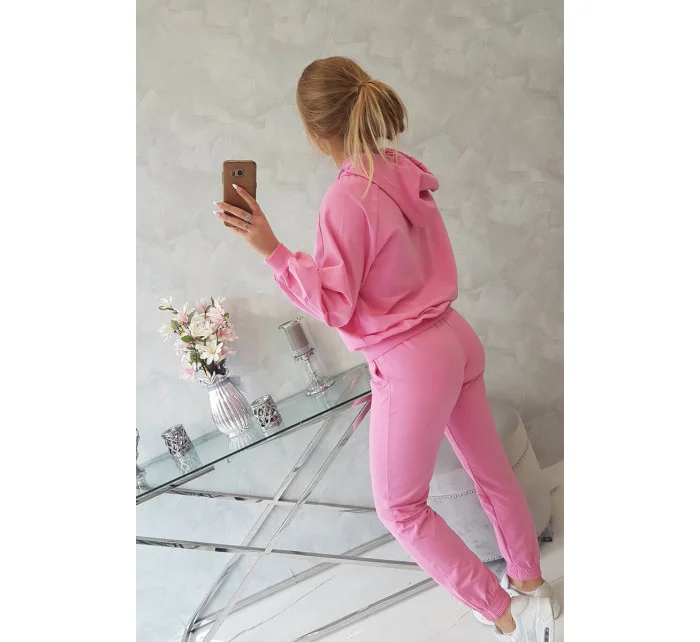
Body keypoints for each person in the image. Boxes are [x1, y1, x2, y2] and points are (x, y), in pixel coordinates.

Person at [213, 56, 559, 641]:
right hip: (454, 335)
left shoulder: (347, 198)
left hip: (411, 358)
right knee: (491, 471)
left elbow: (335, 303)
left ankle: (505, 612)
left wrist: (272, 250)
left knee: (399, 507)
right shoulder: (402, 169)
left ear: (313, 131)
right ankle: (531, 584)